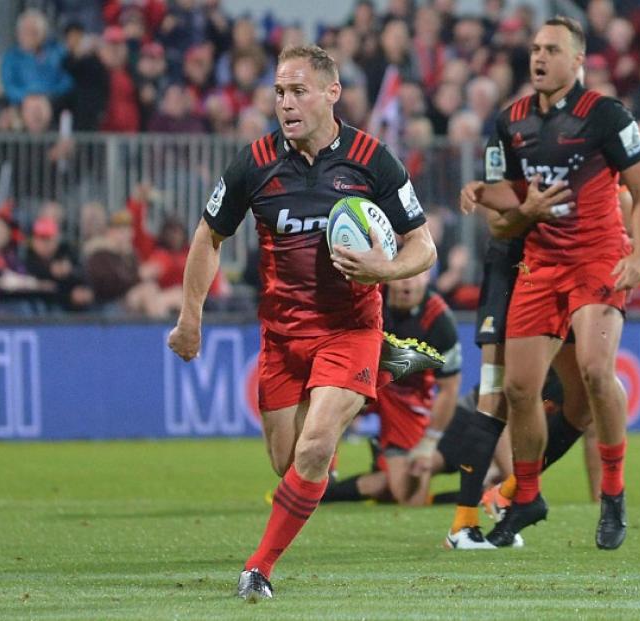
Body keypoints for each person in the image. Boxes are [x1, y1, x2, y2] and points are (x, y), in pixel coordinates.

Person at [167, 45, 438, 601]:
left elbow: (423, 246)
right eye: (279, 92)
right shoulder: (254, 162)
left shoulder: (372, 159)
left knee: (316, 451)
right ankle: (384, 374)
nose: (285, 103)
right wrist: (189, 317)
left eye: (297, 91)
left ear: (331, 93)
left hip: (350, 327)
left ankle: (257, 569)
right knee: (287, 462)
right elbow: (208, 236)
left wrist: (384, 269)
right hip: (283, 337)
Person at [461, 17, 640, 550]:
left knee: (596, 373)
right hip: (540, 264)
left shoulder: (607, 115)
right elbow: (508, 194)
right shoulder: (511, 122)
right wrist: (482, 191)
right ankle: (527, 498)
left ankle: (613, 495)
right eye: (534, 48)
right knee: (521, 389)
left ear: (578, 62)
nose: (539, 57)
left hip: (598, 259)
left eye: (552, 49)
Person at [321, 270, 462, 507]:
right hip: (365, 375)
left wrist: (428, 444)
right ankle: (320, 476)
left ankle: (331, 492)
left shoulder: (439, 320)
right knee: (329, 401)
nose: (408, 280)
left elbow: (449, 389)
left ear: (428, 277)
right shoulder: (370, 294)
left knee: (407, 497)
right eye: (403, 273)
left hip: (405, 397)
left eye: (417, 274)